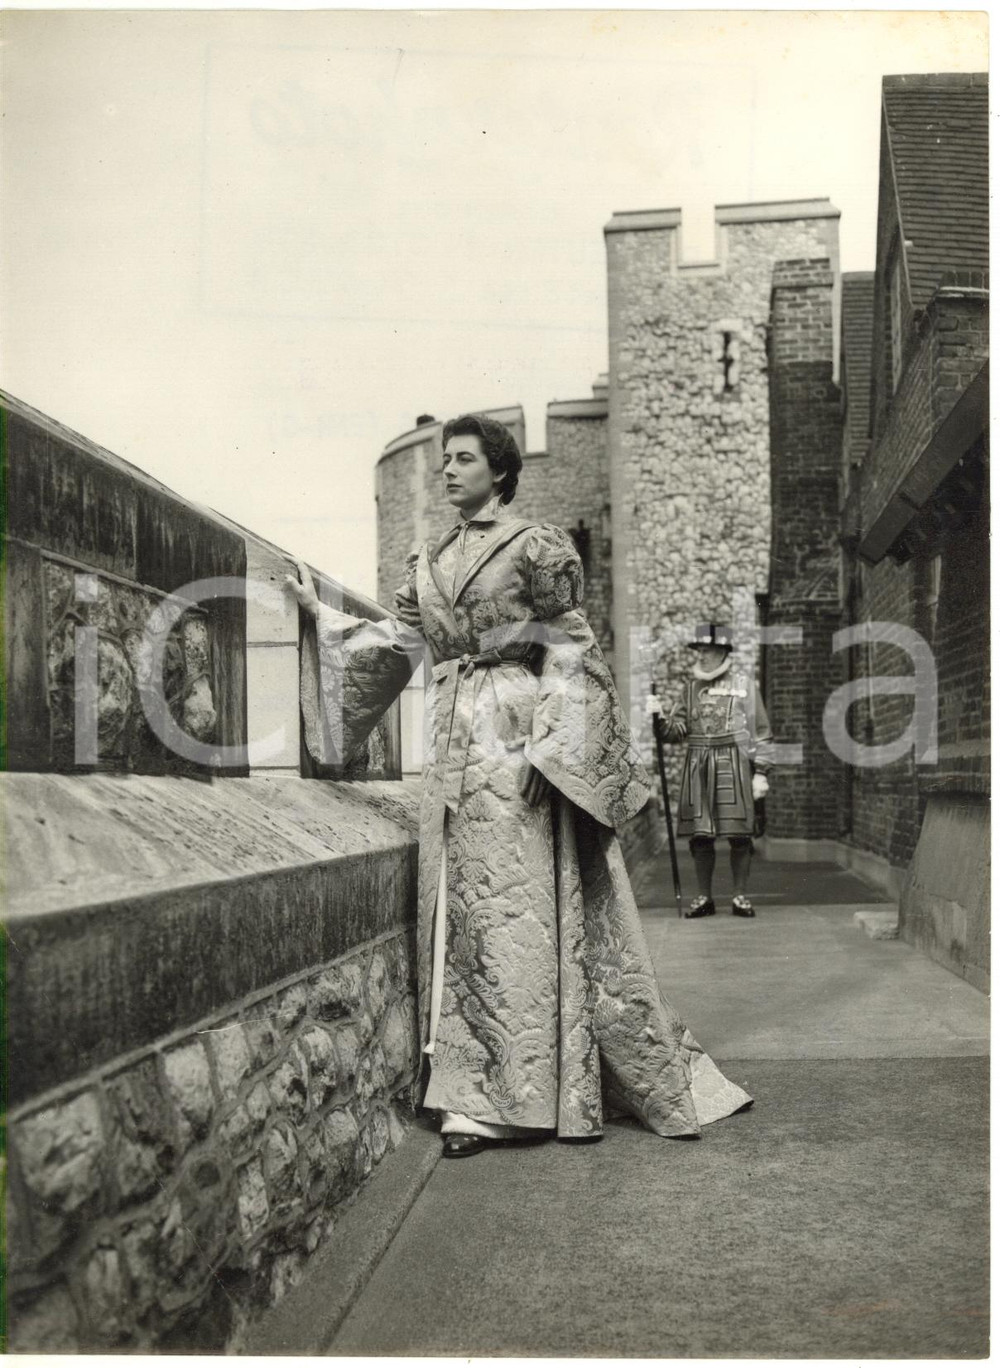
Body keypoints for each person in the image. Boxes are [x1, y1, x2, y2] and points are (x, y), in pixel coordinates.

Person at [287, 415, 751, 1157]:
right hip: (452, 746)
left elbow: (572, 641)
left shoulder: (535, 545)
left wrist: (555, 753)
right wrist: (319, 620)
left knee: (508, 912)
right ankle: (476, 1088)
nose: (447, 471)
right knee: (463, 915)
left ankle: (505, 1101)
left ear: (499, 472)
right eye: (443, 461)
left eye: (463, 459)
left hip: (516, 743)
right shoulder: (430, 559)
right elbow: (401, 644)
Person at [663, 623, 774, 919]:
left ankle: (740, 896)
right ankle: (704, 897)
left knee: (739, 835)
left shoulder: (745, 686)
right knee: (700, 836)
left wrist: (761, 771)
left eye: (707, 650)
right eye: (699, 650)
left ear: (723, 652)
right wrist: (659, 719)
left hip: (733, 766)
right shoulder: (690, 689)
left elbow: (761, 731)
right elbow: (677, 732)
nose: (701, 656)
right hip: (698, 766)